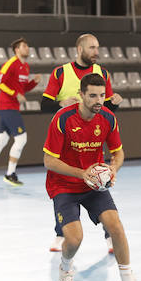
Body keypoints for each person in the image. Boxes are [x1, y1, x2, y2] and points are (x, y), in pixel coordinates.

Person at [43, 73, 141, 281]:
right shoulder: (62, 119)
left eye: (102, 95)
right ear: (81, 95)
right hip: (64, 185)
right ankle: (66, 269)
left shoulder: (108, 118)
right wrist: (82, 173)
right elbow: (49, 161)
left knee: (116, 226)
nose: (99, 100)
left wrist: (113, 169)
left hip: (94, 185)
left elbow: (118, 152)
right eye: (93, 96)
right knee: (74, 238)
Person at [42, 33, 123, 253]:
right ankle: (61, 233)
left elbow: (104, 108)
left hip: (91, 133)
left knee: (99, 181)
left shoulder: (102, 73)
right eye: (92, 48)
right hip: (66, 128)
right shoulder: (61, 72)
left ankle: (109, 236)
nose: (97, 52)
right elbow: (43, 105)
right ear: (80, 49)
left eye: (98, 47)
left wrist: (114, 103)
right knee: (64, 181)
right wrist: (60, 103)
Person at [0, 37, 41, 186]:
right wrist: (14, 94)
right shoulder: (11, 64)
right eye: (24, 46)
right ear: (17, 49)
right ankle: (10, 173)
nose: (27, 48)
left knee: (1, 140)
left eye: (27, 45)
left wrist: (33, 83)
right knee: (21, 138)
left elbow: (22, 90)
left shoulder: (26, 67)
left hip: (12, 106)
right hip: (7, 106)